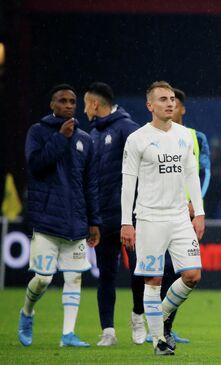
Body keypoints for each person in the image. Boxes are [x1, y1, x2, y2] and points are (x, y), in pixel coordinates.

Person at [120, 81, 205, 356]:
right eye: (163, 99)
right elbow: (128, 184)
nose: (170, 103)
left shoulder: (183, 135)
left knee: (192, 275)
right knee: (153, 280)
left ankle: (160, 315)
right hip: (150, 218)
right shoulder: (137, 139)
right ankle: (159, 341)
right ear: (150, 106)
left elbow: (192, 175)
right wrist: (126, 222)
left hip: (180, 217)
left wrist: (200, 213)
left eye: (172, 99)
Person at [19, 84, 101, 347]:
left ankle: (68, 334)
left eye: (72, 101)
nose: (68, 105)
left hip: (76, 222)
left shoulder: (85, 139)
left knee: (74, 276)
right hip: (46, 221)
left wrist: (94, 221)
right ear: (52, 105)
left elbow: (90, 184)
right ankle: (27, 312)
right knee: (43, 279)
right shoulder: (38, 132)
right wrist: (60, 138)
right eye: (62, 101)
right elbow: (35, 166)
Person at [84, 82, 140, 346]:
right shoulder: (92, 134)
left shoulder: (127, 128)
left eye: (85, 103)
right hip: (103, 218)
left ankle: (138, 314)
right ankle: (108, 331)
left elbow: (146, 167)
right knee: (106, 274)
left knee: (140, 269)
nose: (84, 110)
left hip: (129, 217)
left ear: (95, 104)